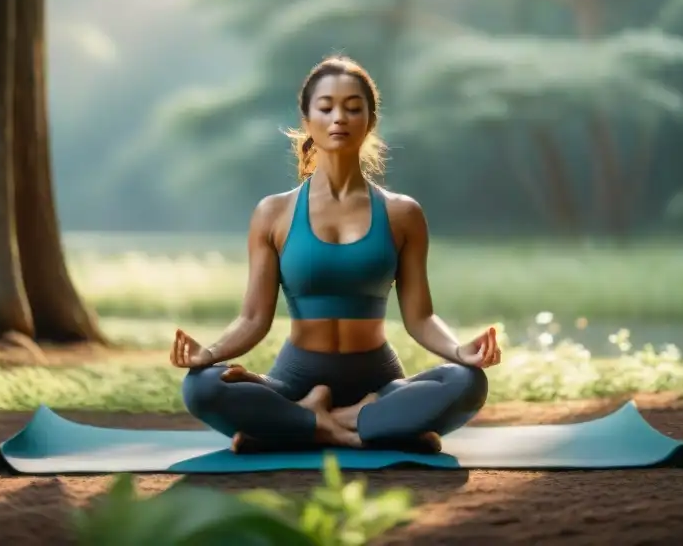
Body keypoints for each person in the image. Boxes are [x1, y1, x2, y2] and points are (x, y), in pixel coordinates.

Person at [170, 55, 501, 453]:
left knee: (467, 382)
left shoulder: (402, 213)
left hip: (378, 382)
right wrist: (209, 353)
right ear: (307, 121)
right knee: (201, 387)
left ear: (370, 121)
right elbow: (254, 317)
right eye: (326, 108)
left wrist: (459, 350)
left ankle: (307, 424)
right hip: (296, 380)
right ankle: (368, 427)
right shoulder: (274, 213)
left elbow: (421, 316)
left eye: (353, 108)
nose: (339, 118)